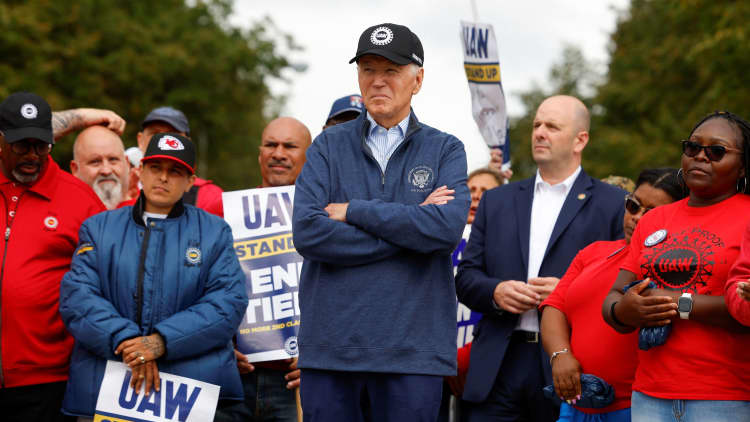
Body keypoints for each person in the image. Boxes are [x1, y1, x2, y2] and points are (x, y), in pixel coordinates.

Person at [292, 23, 470, 422]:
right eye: (368, 69)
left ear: (417, 80)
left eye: (391, 71)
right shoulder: (327, 146)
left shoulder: (446, 149)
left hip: (414, 355)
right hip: (332, 351)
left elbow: (444, 231)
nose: (378, 81)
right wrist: (413, 226)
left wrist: (355, 211)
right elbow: (309, 232)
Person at [455, 95, 626, 421]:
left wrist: (569, 294)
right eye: (536, 125)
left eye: (552, 126)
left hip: (571, 364)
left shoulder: (613, 204)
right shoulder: (497, 201)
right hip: (498, 364)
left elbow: (623, 286)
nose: (539, 133)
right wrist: (496, 291)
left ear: (581, 140)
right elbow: (465, 278)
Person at [59, 132, 248, 419]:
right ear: (140, 173)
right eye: (155, 168)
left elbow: (227, 303)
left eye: (175, 171)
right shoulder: (97, 228)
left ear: (189, 182)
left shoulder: (214, 231)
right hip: (106, 391)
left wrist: (161, 342)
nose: (163, 178)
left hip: (188, 396)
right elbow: (77, 299)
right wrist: (128, 343)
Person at [602, 111, 750, 421]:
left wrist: (678, 303)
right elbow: (614, 296)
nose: (700, 157)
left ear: (742, 167)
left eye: (716, 151)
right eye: (692, 147)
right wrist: (624, 310)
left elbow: (744, 307)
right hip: (649, 394)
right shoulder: (655, 219)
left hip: (725, 395)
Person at [540, 168, 685, 422]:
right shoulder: (594, 252)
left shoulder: (677, 265)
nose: (637, 218)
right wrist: (560, 355)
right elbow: (554, 307)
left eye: (651, 213)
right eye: (633, 205)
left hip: (638, 407)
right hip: (576, 403)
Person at [0, 92, 105, 421]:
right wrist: (85, 112)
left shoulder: (79, 199)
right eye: (21, 145)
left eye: (41, 146)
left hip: (46, 380)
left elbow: (113, 276)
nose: (32, 155)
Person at [217, 116, 311, 422]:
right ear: (260, 155)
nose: (279, 153)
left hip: (298, 383)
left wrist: (320, 356)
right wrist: (219, 349)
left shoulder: (325, 218)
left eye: (290, 146)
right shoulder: (224, 215)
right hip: (233, 379)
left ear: (308, 158)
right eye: (271, 145)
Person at [134, 106, 224, 216]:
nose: (164, 140)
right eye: (155, 134)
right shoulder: (115, 184)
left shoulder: (209, 197)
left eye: (173, 134)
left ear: (187, 142)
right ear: (140, 139)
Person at [70, 126, 130, 209]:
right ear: (75, 169)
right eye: (95, 162)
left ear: (127, 164)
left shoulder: (148, 212)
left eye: (113, 159)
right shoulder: (64, 217)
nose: (106, 170)